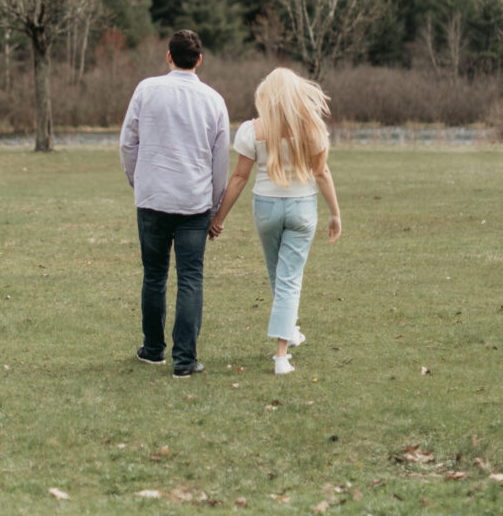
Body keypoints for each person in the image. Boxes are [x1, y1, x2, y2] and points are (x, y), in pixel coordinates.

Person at [209, 67, 341, 375]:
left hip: (266, 208)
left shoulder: (252, 130)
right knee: (287, 278)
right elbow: (322, 173)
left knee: (279, 275)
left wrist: (219, 217)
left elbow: (240, 177)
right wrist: (335, 212)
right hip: (302, 208)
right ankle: (282, 357)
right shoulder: (312, 129)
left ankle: (290, 332)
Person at [120, 30, 230, 378]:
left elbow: (128, 143)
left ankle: (153, 349)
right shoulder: (214, 100)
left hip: (153, 197)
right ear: (199, 60)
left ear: (169, 57)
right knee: (190, 279)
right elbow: (220, 161)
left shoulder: (146, 90)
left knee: (154, 276)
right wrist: (214, 206)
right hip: (193, 202)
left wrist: (138, 181)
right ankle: (184, 359)